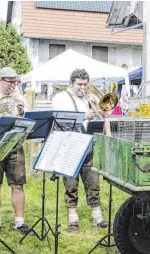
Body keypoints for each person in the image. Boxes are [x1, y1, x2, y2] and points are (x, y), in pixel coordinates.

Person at [51, 68, 107, 233]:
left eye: (85, 84)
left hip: (88, 144)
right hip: (70, 144)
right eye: (79, 84)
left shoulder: (88, 99)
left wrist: (96, 102)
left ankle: (97, 217)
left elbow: (105, 115)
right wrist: (85, 115)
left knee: (93, 182)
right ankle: (73, 219)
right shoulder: (61, 97)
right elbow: (62, 117)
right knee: (71, 184)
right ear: (71, 83)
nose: (83, 87)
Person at [0, 67, 32, 235]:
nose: (13, 85)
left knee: (18, 184)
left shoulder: (18, 98)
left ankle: (19, 222)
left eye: (15, 81)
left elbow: (28, 121)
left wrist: (23, 112)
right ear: (0, 80)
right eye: (9, 81)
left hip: (15, 145)